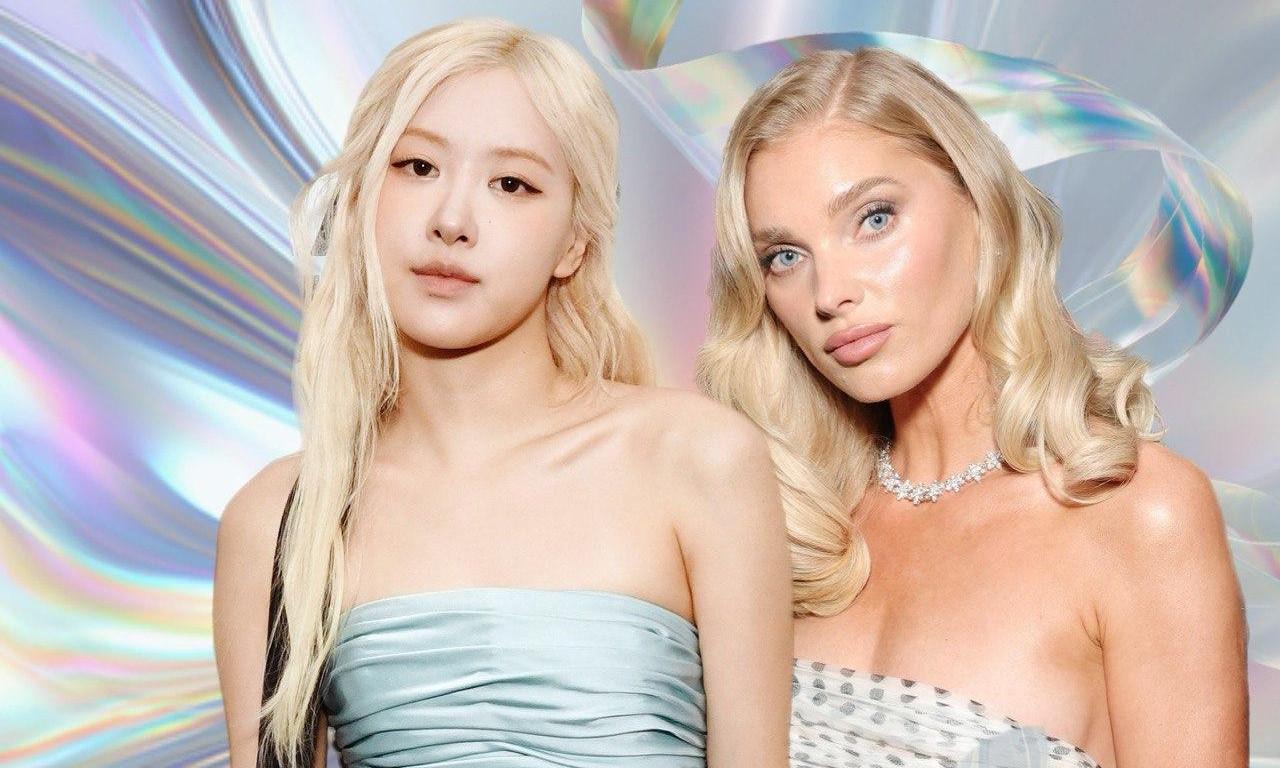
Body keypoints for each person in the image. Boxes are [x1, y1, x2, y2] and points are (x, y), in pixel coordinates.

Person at [213, 17, 793, 768]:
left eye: (512, 184)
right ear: (359, 201)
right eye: (418, 166)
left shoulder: (699, 459)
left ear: (575, 242)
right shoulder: (280, 518)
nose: (452, 221)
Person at [698, 46, 1248, 767]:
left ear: (978, 203)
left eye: (874, 219)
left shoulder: (1135, 513)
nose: (830, 293)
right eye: (785, 256)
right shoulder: (787, 533)